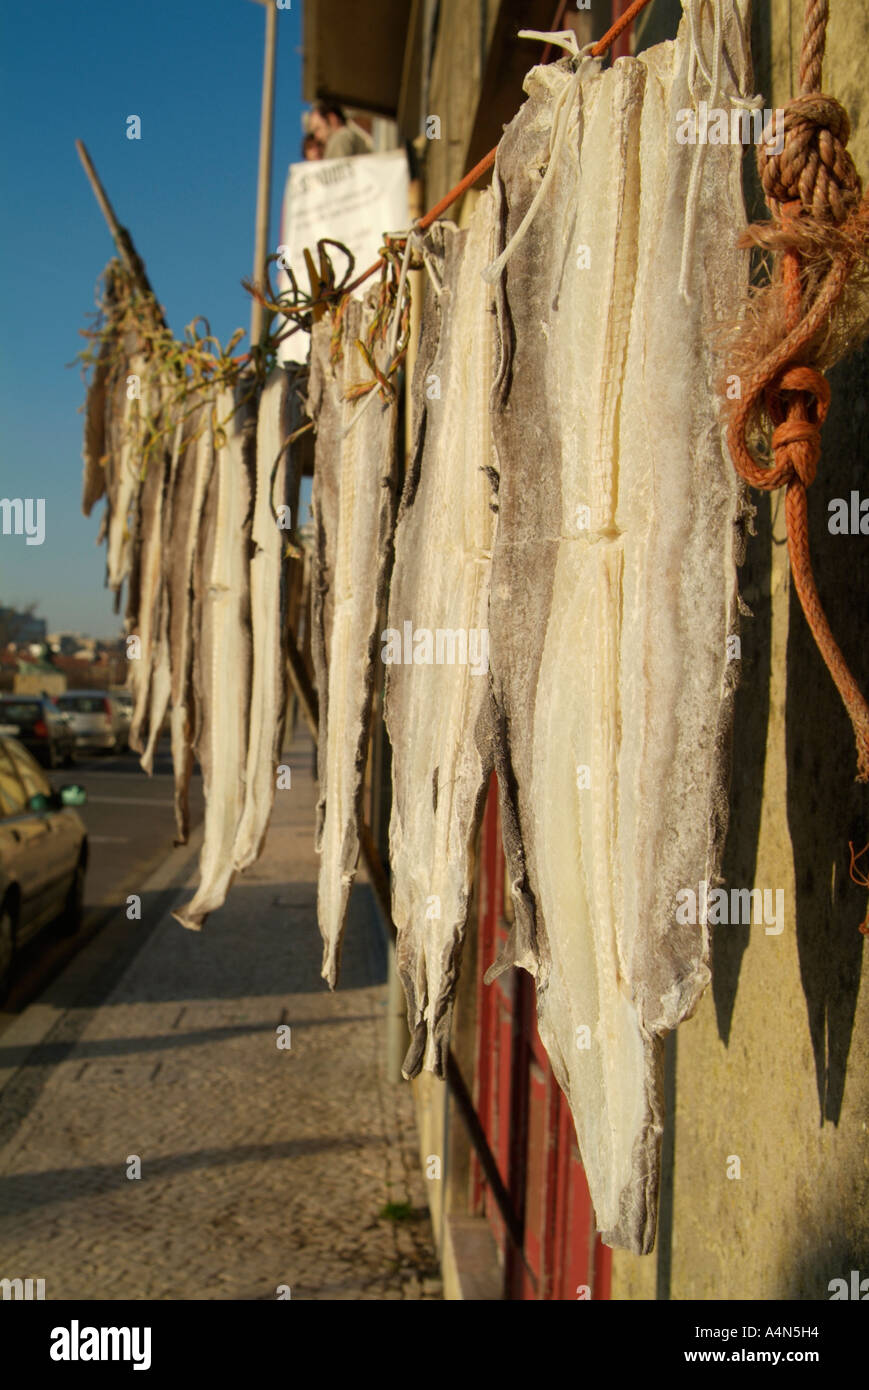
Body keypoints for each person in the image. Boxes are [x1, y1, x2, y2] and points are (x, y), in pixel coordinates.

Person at [308, 102, 373, 160]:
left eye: (317, 129)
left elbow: (336, 170)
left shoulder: (340, 137)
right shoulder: (351, 135)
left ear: (332, 119)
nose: (316, 137)